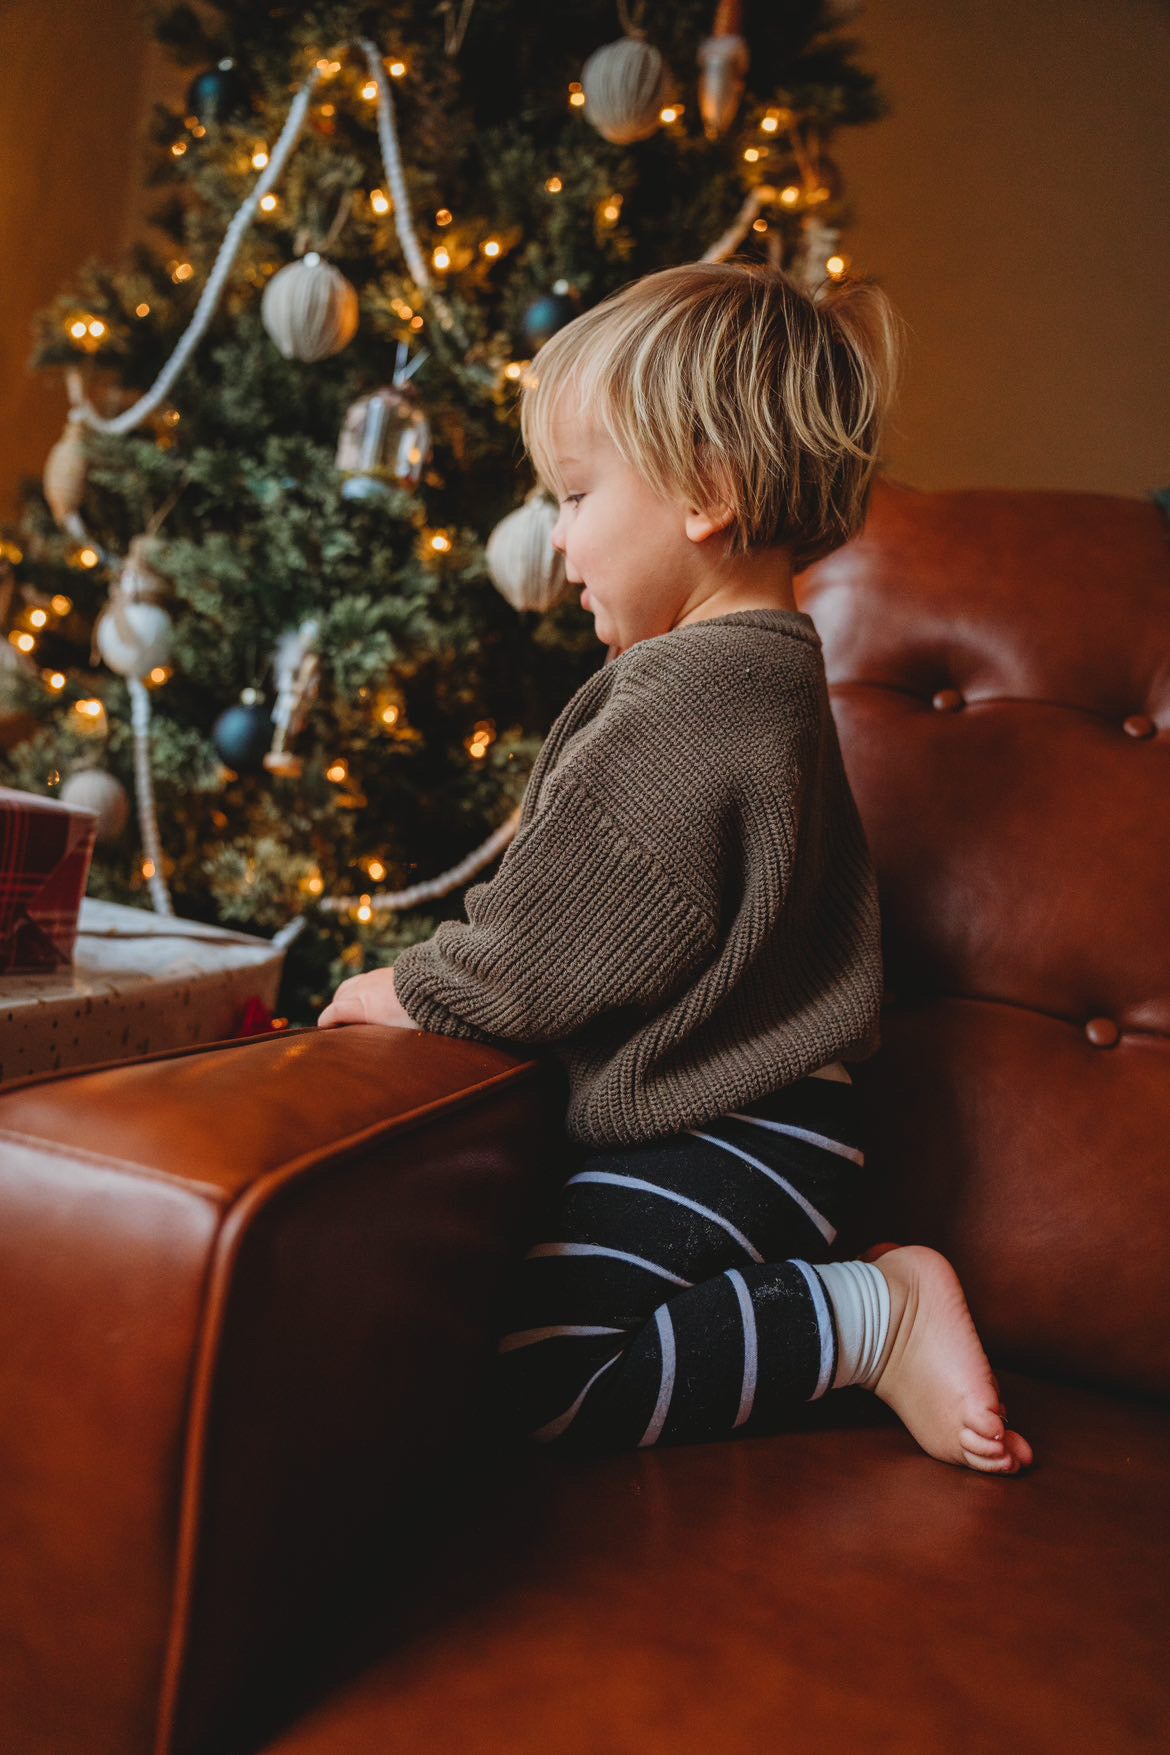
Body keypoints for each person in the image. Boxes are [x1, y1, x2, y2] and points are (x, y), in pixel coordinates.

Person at [318, 259, 1033, 1475]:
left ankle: (871, 1315)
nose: (559, 537)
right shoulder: (760, 670)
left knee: (551, 1378)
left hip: (732, 1125)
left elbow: (566, 932)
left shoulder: (693, 691)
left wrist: (416, 989)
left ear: (703, 491)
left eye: (578, 493)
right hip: (760, 1120)